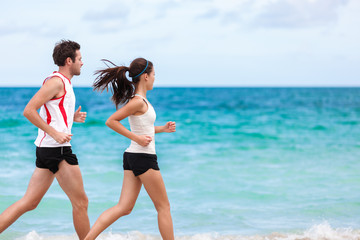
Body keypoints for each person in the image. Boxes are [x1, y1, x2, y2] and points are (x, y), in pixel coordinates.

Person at [0, 40, 90, 239]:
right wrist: (56, 133)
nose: (82, 63)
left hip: (48, 149)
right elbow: (28, 111)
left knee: (29, 202)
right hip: (56, 149)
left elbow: (51, 111)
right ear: (69, 61)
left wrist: (70, 118)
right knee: (81, 203)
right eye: (80, 59)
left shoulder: (62, 82)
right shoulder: (56, 82)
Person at [84, 58, 176, 240]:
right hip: (143, 157)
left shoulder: (141, 102)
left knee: (124, 208)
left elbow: (144, 130)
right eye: (154, 74)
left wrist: (162, 129)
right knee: (163, 207)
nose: (155, 78)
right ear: (146, 77)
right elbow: (111, 121)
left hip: (133, 156)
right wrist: (136, 138)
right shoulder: (138, 102)